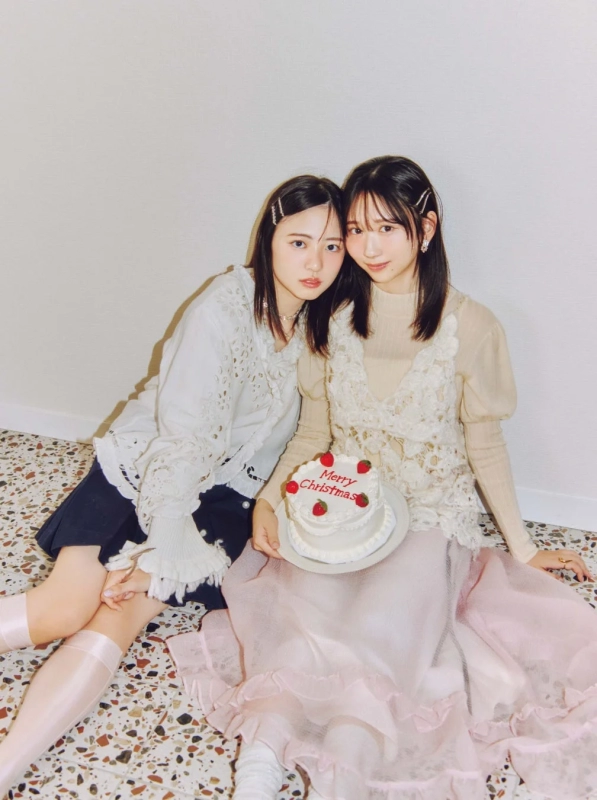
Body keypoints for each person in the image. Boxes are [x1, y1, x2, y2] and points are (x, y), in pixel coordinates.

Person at [169, 156, 597, 800]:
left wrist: (525, 547)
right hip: (343, 508)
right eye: (356, 230)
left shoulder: (471, 326)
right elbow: (313, 431)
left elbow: (485, 444)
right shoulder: (332, 316)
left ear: (426, 229)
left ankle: (341, 777)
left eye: (387, 229)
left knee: (378, 635)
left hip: (428, 515)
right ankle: (258, 764)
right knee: (304, 627)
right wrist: (268, 500)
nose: (368, 248)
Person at [0, 174, 348, 793]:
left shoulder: (323, 326)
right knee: (66, 607)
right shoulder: (224, 306)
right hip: (148, 467)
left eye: (331, 246)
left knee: (122, 617)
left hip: (223, 501)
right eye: (299, 242)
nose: (315, 263)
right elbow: (183, 437)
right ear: (269, 238)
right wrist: (162, 547)